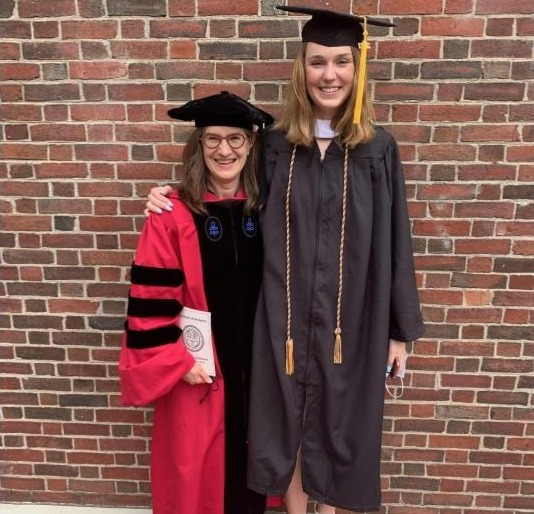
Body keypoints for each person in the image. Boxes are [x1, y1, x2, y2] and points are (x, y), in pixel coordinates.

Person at [144, 6, 425, 513]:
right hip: (283, 320)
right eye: (318, 62)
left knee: (342, 424)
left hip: (352, 322)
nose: (330, 74)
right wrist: (170, 196)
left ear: (357, 71)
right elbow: (225, 182)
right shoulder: (275, 147)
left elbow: (395, 241)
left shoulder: (378, 149)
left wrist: (399, 331)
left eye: (342, 61)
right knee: (289, 424)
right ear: (302, 69)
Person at [119, 91, 274, 514]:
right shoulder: (172, 214)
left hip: (258, 372)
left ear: (251, 144)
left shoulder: (268, 208)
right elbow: (150, 301)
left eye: (236, 139)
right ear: (199, 146)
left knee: (252, 478)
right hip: (202, 373)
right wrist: (179, 363)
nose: (224, 150)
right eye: (213, 140)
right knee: (197, 481)